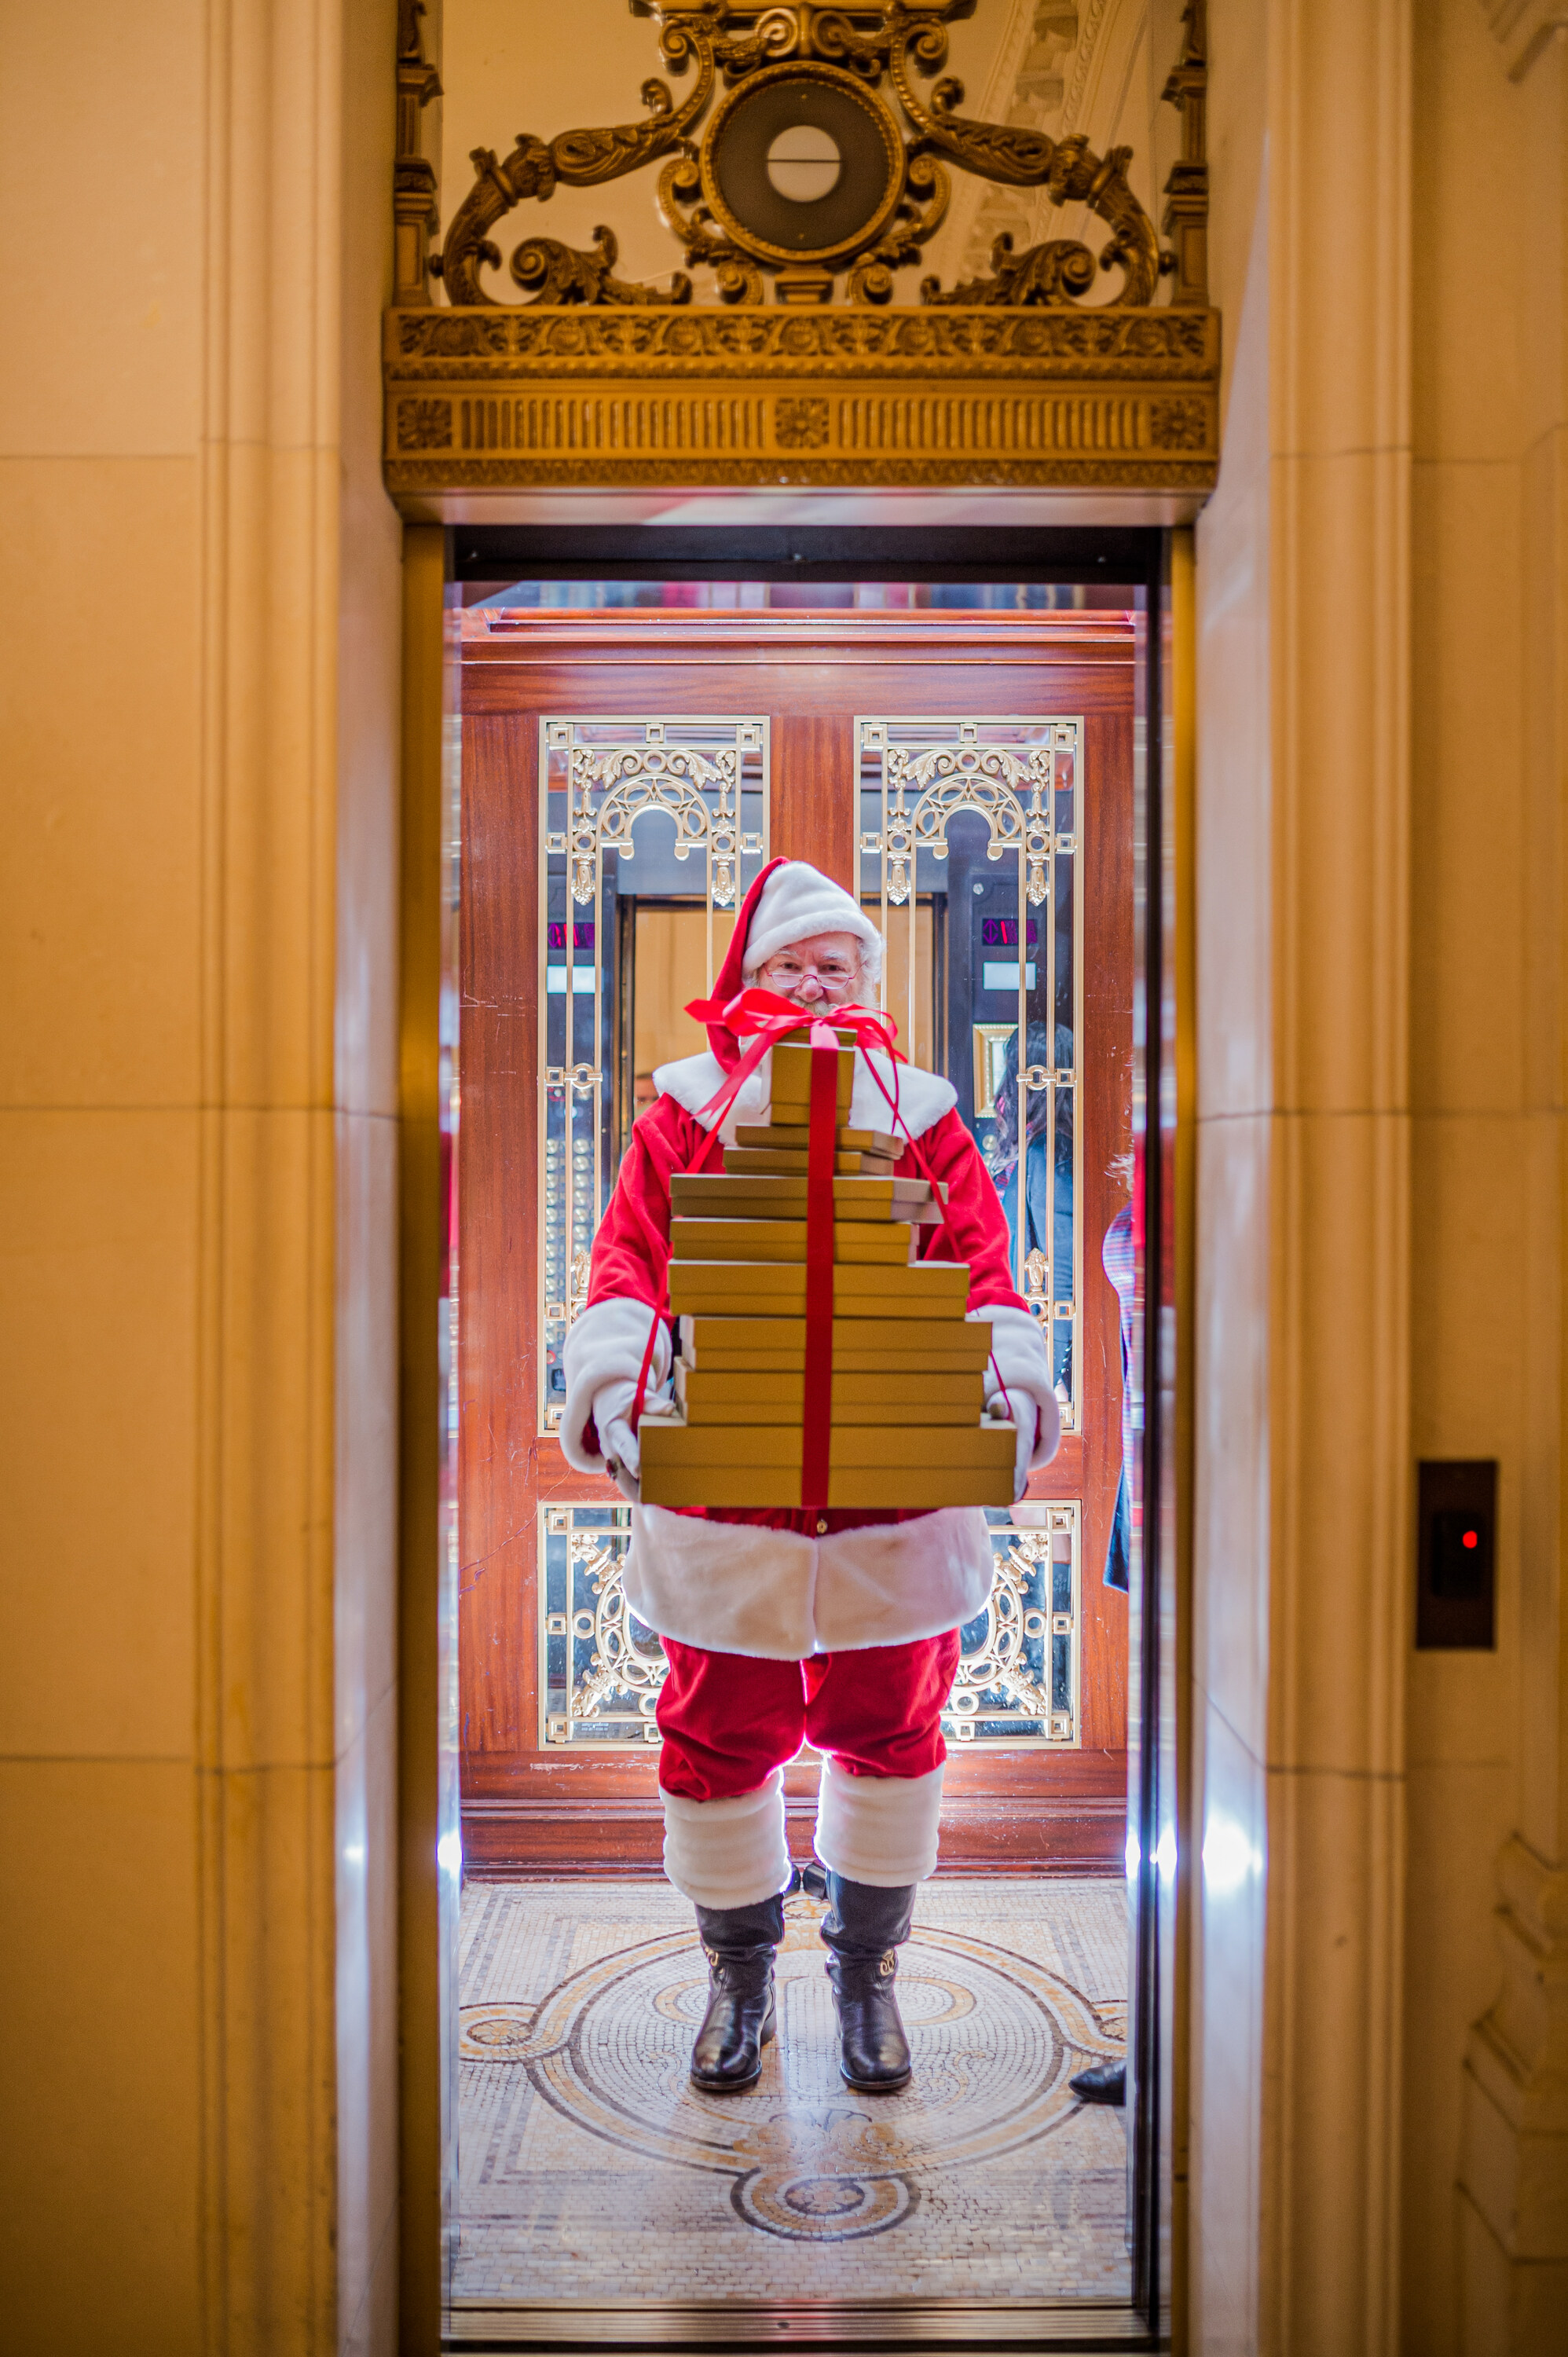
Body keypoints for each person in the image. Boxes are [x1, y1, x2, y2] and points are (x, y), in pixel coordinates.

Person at [561, 859, 1060, 2096]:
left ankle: (865, 1972)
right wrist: (620, 1394)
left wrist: (1009, 1385)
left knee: (895, 1730)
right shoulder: (678, 1111)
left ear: (866, 984)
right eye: (791, 966)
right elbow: (627, 1267)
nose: (815, 986)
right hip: (730, 1500)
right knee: (718, 1735)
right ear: (748, 981)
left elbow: (984, 1269)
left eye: (835, 966)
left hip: (895, 1502)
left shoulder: (928, 1112)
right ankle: (738, 1976)